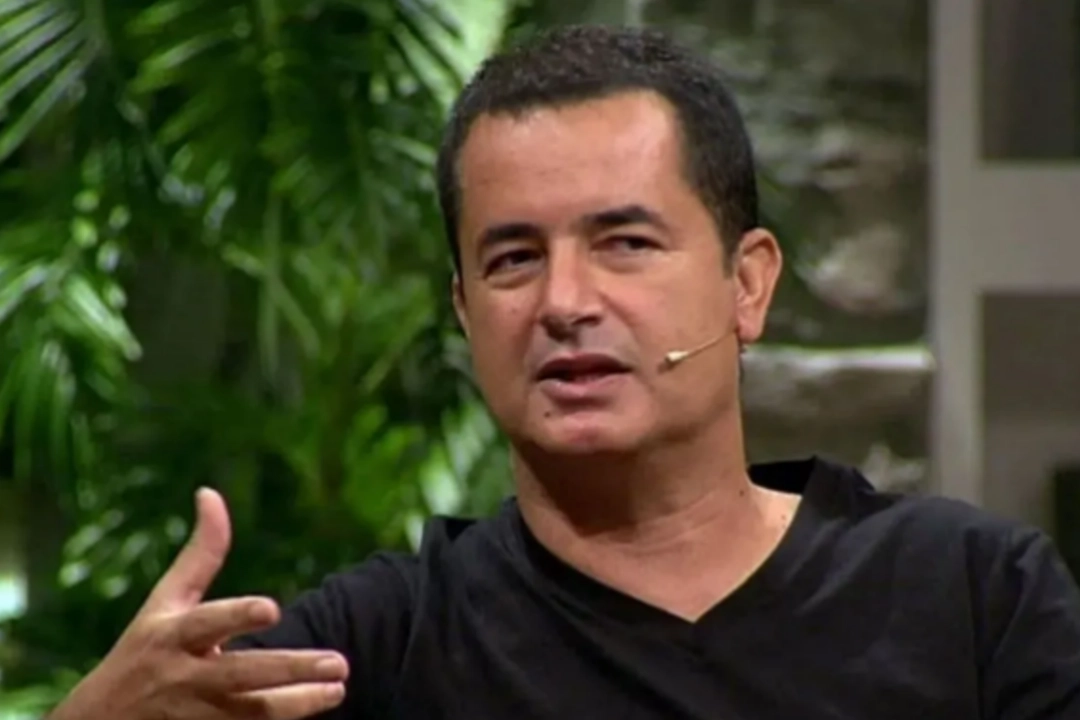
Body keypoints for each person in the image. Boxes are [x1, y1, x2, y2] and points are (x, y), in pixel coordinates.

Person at [48, 24, 1080, 720]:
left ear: (747, 285)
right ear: (465, 311)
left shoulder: (971, 596)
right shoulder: (374, 652)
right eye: (512, 259)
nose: (564, 301)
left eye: (625, 243)